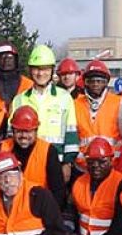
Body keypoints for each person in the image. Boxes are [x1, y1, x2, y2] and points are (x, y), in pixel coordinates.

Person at [10, 44, 80, 183]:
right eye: (36, 69)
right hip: (26, 162)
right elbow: (10, 136)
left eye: (45, 69)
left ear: (52, 70)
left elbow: (71, 134)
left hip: (56, 164)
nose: (40, 73)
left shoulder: (64, 98)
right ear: (30, 70)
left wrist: (67, 163)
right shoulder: (19, 99)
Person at [0, 105, 66, 208]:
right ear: (13, 130)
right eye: (19, 131)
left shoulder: (48, 151)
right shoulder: (1, 148)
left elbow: (58, 191)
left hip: (37, 213)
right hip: (8, 210)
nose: (23, 136)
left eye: (28, 131)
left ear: (36, 130)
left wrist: (50, 217)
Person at [72, 59, 122, 173]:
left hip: (111, 166)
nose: (95, 84)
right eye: (91, 81)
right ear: (85, 83)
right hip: (82, 167)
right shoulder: (75, 104)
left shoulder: (119, 102)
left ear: (106, 83)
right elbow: (72, 137)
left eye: (99, 81)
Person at [0, 41, 33, 115]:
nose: (6, 60)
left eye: (10, 57)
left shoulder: (29, 85)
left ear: (16, 60)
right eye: (2, 57)